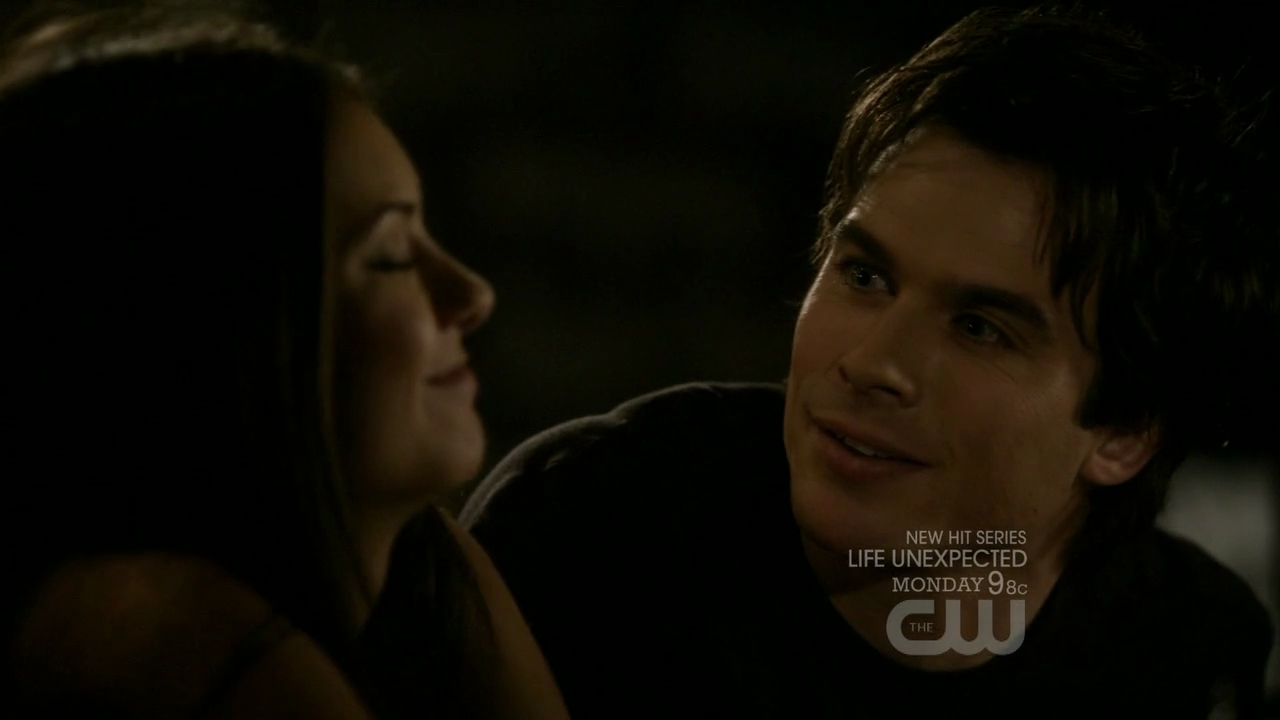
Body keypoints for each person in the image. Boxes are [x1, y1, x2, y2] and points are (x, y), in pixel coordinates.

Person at [461, 5, 1278, 719]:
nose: (872, 361)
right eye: (865, 276)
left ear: (1123, 432)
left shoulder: (1185, 650)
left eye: (980, 328)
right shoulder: (592, 529)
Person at [0, 6, 568, 719]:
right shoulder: (164, 644)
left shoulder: (427, 572)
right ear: (210, 325)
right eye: (391, 256)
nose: (472, 294)